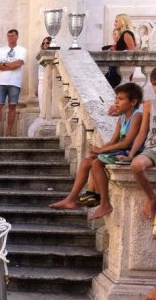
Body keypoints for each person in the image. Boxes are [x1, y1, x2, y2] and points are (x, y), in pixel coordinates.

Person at [49, 83, 143, 220]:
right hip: (121, 150)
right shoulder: (122, 118)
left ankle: (104, 203)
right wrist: (98, 150)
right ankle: (71, 199)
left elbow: (126, 142)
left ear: (133, 102)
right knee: (86, 161)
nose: (116, 102)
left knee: (97, 164)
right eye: (116, 98)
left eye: (121, 99)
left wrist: (101, 150)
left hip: (132, 152)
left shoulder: (137, 115)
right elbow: (113, 141)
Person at [120, 65, 156, 219]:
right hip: (153, 148)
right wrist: (131, 155)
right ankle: (152, 197)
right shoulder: (148, 105)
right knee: (136, 165)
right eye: (155, 84)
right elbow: (142, 133)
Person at [0, 29, 27, 137]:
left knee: (12, 106)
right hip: (1, 82)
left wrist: (4, 64)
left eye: (12, 36)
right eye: (9, 36)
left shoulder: (22, 50)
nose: (10, 38)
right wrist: (10, 65)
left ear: (17, 37)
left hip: (15, 82)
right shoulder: (1, 50)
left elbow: (18, 64)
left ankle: (8, 132)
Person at [28, 37, 51, 137]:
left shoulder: (52, 56)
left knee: (47, 104)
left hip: (48, 82)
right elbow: (39, 73)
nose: (45, 44)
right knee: (41, 104)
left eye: (48, 43)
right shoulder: (40, 56)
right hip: (41, 82)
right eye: (44, 43)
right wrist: (37, 87)